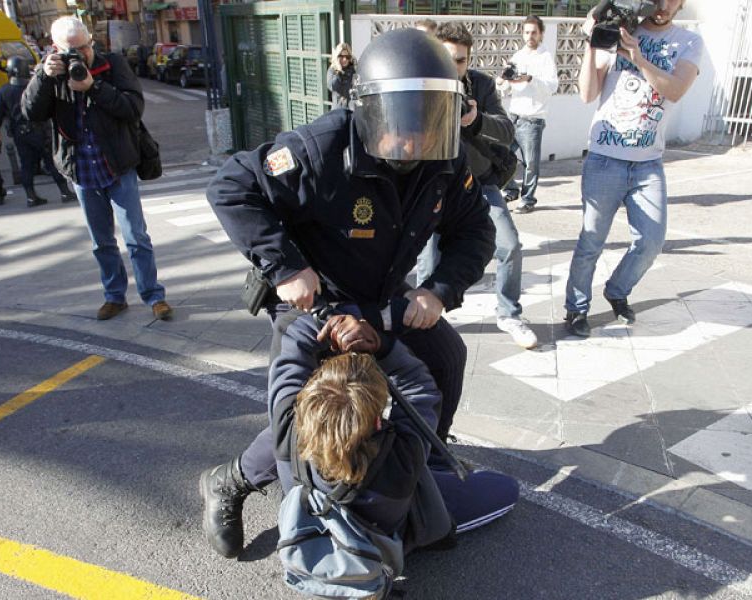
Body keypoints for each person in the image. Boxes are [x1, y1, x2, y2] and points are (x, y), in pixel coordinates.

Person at [200, 27, 496, 559]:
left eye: (429, 118)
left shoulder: (444, 159)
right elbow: (231, 186)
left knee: (445, 356)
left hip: (384, 292)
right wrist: (286, 267)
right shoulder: (319, 149)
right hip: (317, 299)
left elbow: (476, 230)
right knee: (317, 406)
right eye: (403, 120)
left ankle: (416, 470)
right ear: (369, 108)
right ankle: (232, 481)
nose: (415, 139)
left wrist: (439, 290)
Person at [273, 313, 519, 554]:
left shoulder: (286, 430)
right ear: (377, 421)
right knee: (507, 488)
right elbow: (418, 384)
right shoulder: (404, 453)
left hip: (318, 536)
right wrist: (381, 345)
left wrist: (321, 321)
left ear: (306, 403)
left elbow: (288, 341)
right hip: (384, 538)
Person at [564, 0, 703, 338]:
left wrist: (637, 56)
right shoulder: (620, 28)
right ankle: (576, 308)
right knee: (591, 241)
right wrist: (592, 42)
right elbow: (587, 94)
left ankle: (617, 289)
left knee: (651, 241)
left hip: (648, 164)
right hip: (604, 157)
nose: (664, 5)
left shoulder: (689, 41)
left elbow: (675, 90)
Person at [22, 16, 173, 322]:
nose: (81, 55)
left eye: (85, 47)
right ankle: (114, 296)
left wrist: (94, 87)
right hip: (82, 170)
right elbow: (30, 113)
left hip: (117, 165)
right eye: (72, 50)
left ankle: (154, 296)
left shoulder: (113, 65)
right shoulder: (51, 73)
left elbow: (133, 108)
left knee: (136, 237)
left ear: (91, 42)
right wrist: (43, 77)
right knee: (101, 241)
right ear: (56, 48)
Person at [416, 21, 538, 349]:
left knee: (509, 245)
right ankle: (424, 324)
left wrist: (475, 119)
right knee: (429, 260)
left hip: (478, 183)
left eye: (460, 60)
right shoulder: (419, 84)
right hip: (432, 185)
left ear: (469, 60)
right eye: (447, 59)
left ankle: (509, 314)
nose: (453, 66)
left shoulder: (480, 86)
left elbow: (506, 130)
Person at [0, 56, 77, 208]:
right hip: (40, 130)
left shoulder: (4, 91)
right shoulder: (33, 85)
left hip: (20, 133)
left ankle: (31, 197)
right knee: (51, 162)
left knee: (26, 165)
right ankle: (65, 192)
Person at [495, 15, 558, 214]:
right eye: (527, 32)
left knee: (530, 164)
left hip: (533, 119)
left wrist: (530, 78)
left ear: (541, 34)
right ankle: (511, 189)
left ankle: (528, 199)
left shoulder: (545, 57)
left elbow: (552, 86)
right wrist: (502, 80)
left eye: (534, 32)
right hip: (513, 115)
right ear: (522, 34)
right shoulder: (518, 56)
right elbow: (505, 86)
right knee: (501, 156)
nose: (530, 36)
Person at [326, 42, 357, 109]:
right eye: (341, 56)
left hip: (351, 108)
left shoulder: (352, 70)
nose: (344, 59)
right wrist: (339, 71)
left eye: (347, 57)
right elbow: (332, 86)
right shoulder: (332, 70)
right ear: (337, 57)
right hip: (338, 109)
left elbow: (355, 89)